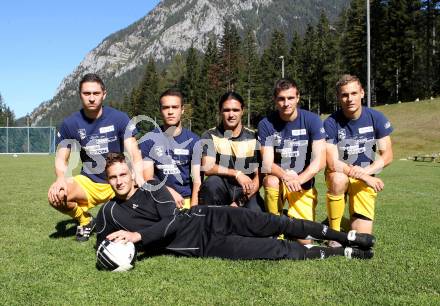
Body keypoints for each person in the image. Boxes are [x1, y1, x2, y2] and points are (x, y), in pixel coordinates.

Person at [95, 153, 375, 262]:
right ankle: (342, 253)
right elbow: (101, 241)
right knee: (272, 250)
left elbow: (171, 223)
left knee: (277, 224)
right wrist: (111, 251)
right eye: (113, 177)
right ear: (108, 180)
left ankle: (344, 237)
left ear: (132, 174)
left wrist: (137, 237)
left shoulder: (154, 191)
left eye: (123, 174)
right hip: (203, 245)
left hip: (208, 216)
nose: (119, 181)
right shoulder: (109, 212)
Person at [47, 73, 144, 242]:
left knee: (136, 216)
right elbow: (62, 158)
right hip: (89, 182)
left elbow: (134, 152)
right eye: (87, 93)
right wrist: (60, 178)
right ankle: (85, 220)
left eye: (96, 93)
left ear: (104, 94)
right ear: (80, 95)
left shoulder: (119, 118)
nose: (91, 98)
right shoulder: (70, 123)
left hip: (116, 180)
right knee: (56, 196)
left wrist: (139, 177)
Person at [324, 74, 393, 240]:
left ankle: (335, 220)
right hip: (340, 172)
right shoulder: (330, 123)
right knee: (339, 179)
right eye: (345, 95)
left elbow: (388, 155)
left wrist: (365, 173)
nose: (350, 99)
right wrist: (363, 175)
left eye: (354, 93)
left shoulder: (376, 118)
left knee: (361, 236)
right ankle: (334, 234)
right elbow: (332, 162)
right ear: (339, 97)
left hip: (365, 175)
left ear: (362, 93)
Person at [258, 79, 326, 243]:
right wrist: (286, 176)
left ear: (298, 98)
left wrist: (299, 179)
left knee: (304, 241)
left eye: (290, 98)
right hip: (281, 180)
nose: (286, 103)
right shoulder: (266, 124)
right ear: (275, 100)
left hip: (302, 183)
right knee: (271, 180)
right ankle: (275, 228)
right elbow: (267, 164)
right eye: (281, 99)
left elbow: (320, 160)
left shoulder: (312, 120)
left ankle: (287, 217)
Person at [199, 92, 264, 211]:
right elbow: (208, 167)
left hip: (246, 192)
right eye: (226, 110)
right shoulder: (210, 135)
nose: (231, 114)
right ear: (220, 111)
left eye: (235, 110)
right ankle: (212, 225)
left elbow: (259, 176)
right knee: (211, 183)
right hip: (220, 188)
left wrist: (240, 201)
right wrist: (236, 174)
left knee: (256, 217)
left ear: (242, 111)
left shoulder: (253, 137)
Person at [139, 89, 201, 209]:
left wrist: (194, 208)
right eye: (166, 107)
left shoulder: (194, 141)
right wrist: (169, 192)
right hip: (159, 199)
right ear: (160, 110)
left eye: (175, 107)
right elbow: (148, 178)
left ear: (182, 110)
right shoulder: (149, 140)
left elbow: (197, 180)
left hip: (186, 200)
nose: (170, 112)